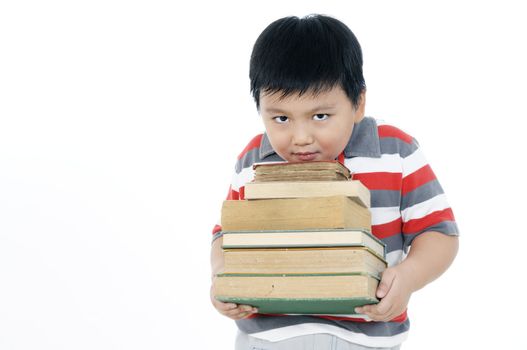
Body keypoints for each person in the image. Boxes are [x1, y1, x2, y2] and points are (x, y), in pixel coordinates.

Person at [210, 14, 459, 350]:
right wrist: (222, 279)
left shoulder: (395, 152)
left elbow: (439, 233)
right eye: (280, 118)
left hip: (366, 337)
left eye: (320, 116)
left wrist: (408, 278)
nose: (300, 137)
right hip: (270, 338)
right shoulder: (254, 159)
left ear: (358, 103)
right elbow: (225, 236)